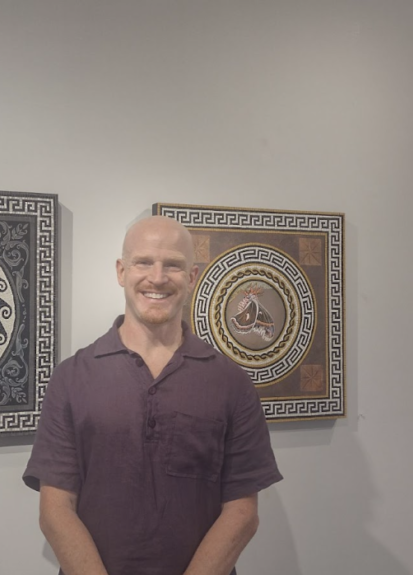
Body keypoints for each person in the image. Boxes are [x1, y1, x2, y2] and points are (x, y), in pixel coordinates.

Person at [23, 215, 283, 575]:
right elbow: (55, 510)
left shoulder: (231, 382)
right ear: (121, 271)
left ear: (191, 277)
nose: (157, 277)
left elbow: (242, 512)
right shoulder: (71, 377)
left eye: (173, 265)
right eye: (143, 262)